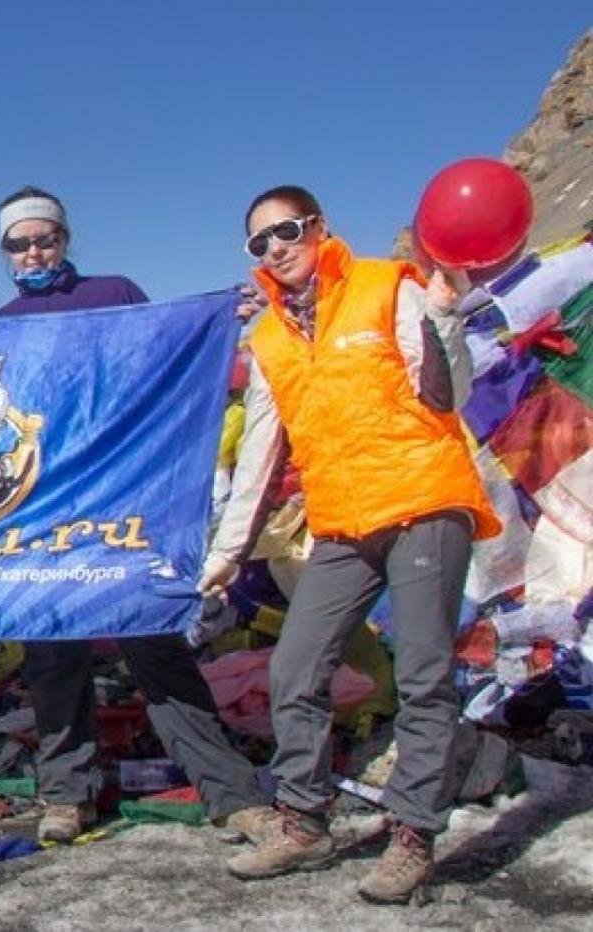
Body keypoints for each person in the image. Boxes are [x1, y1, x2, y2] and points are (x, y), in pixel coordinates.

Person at [203, 185, 500, 903]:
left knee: (425, 674)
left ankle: (412, 837)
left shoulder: (384, 287)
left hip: (425, 498)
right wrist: (226, 554)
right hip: (340, 521)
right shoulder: (269, 338)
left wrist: (444, 319)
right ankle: (304, 823)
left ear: (319, 227)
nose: (277, 247)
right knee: (294, 668)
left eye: (288, 230)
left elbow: (446, 395)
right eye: (260, 241)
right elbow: (260, 456)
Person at [0, 186, 275, 843]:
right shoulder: (0, 324)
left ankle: (231, 794)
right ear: (4, 250)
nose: (35, 250)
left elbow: (168, 363)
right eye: (20, 242)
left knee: (155, 646)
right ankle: (68, 794)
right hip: (43, 515)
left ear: (65, 239)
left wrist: (218, 317)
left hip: (123, 507)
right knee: (52, 657)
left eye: (46, 237)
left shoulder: (115, 294)